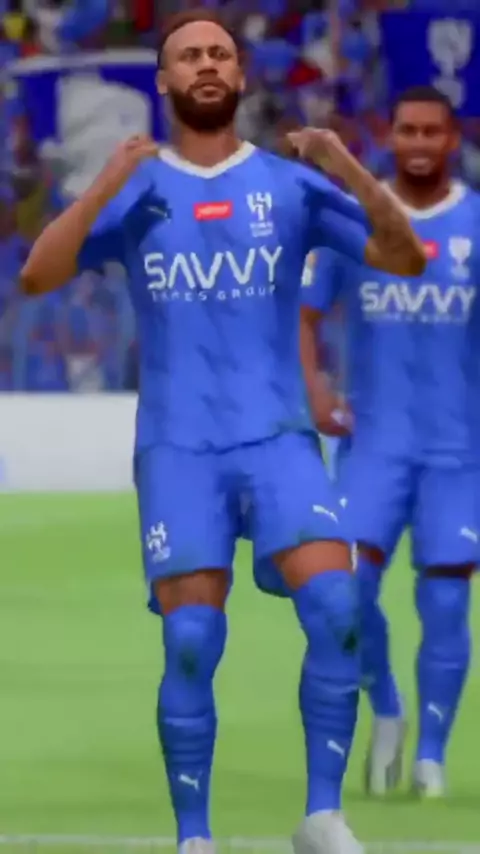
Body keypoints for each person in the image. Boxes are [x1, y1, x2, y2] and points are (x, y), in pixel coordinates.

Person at [20, 9, 424, 853]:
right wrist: (104, 181)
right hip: (179, 450)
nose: (205, 64)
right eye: (188, 56)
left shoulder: (290, 185)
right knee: (192, 639)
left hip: (278, 439)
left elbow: (405, 257)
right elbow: (37, 274)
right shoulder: (136, 189)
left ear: (239, 76)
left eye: (219, 53)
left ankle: (321, 816)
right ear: (164, 81)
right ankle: (195, 837)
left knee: (338, 606)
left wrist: (347, 165)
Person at [301, 85, 480, 800]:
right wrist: (316, 390)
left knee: (446, 604)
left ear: (452, 139)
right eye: (408, 130)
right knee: (346, 595)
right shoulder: (359, 218)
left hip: (459, 453)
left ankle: (431, 756)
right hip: (372, 445)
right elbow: (305, 315)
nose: (419, 143)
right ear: (391, 135)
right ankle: (387, 709)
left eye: (432, 132)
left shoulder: (475, 222)